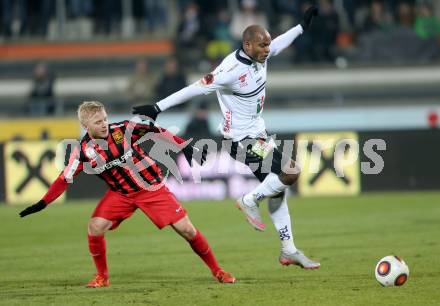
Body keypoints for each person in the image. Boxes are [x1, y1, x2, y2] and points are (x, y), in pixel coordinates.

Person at [133, 6, 320, 269]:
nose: (267, 49)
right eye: (262, 45)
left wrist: (301, 27)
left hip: (258, 136)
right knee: (290, 172)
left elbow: (278, 43)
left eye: (267, 45)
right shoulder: (229, 71)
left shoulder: (260, 56)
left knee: (278, 188)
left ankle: (288, 249)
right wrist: (157, 108)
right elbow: (194, 89)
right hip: (240, 142)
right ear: (247, 44)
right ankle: (249, 200)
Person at [19, 101, 235, 287]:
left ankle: (218, 271)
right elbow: (63, 178)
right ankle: (102, 277)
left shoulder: (122, 129)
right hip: (121, 194)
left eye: (104, 119)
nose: (104, 124)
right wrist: (43, 203)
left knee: (187, 230)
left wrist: (183, 146)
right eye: (98, 122)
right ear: (86, 126)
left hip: (150, 188)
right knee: (95, 226)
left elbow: (154, 131)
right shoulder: (82, 151)